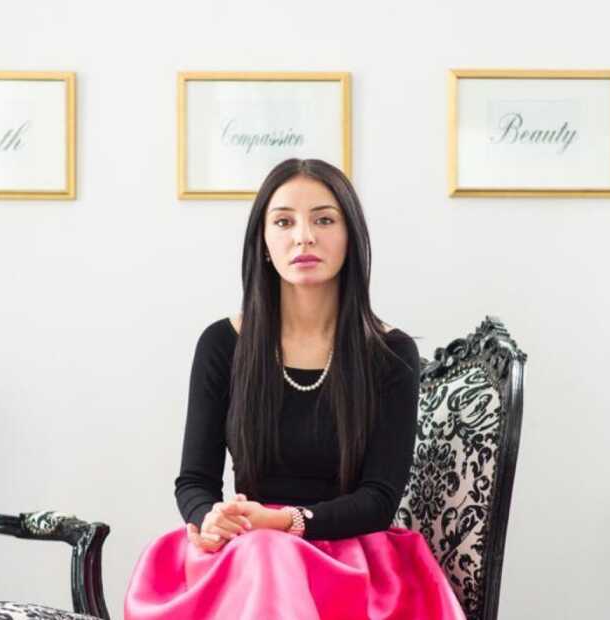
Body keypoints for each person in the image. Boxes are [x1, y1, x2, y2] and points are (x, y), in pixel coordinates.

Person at [124, 158, 466, 619]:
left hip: (351, 557)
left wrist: (285, 522)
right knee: (262, 554)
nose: (304, 236)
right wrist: (211, 518)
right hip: (247, 551)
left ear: (350, 237)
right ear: (264, 242)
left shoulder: (391, 353)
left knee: (269, 552)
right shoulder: (223, 344)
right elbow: (194, 481)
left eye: (323, 220)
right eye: (284, 222)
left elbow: (379, 500)